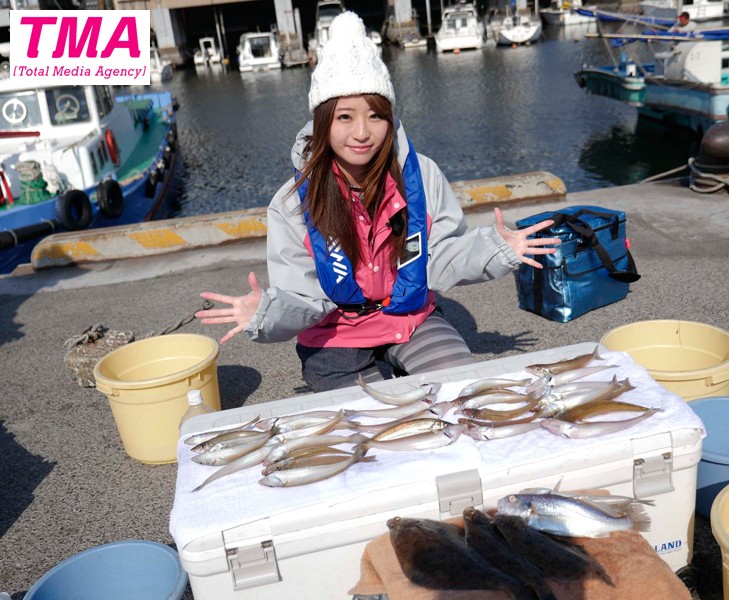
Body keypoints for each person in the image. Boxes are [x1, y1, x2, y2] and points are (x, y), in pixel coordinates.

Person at [196, 11, 561, 393]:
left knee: (461, 390)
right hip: (336, 336)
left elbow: (439, 256)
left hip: (410, 319)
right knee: (375, 419)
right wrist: (266, 313)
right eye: (344, 117)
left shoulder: (423, 175)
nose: (361, 132)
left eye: (375, 115)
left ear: (390, 118)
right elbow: (303, 297)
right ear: (322, 123)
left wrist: (494, 248)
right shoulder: (290, 202)